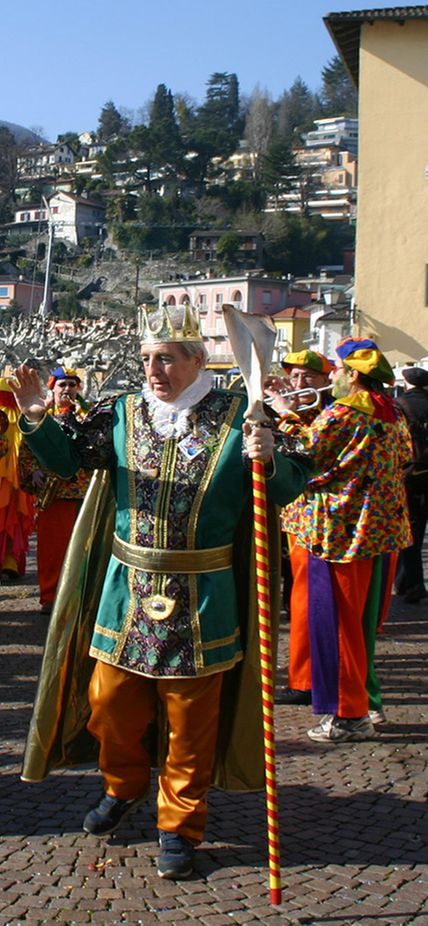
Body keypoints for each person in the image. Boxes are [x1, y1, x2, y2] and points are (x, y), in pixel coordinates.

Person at [11, 304, 309, 880]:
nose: (153, 371)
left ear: (198, 361)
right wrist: (37, 422)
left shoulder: (241, 414)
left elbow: (291, 484)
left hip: (205, 594)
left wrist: (270, 459)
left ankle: (180, 824)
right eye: (147, 359)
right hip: (127, 586)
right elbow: (70, 464)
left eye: (165, 359)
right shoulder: (122, 412)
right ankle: (122, 786)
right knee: (109, 703)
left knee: (191, 719)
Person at [275, 337, 413, 742]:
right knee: (361, 626)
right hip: (378, 532)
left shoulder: (341, 415)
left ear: (352, 375)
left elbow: (306, 464)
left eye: (336, 371)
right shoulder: (391, 413)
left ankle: (349, 713)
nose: (332, 377)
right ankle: (365, 703)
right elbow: (404, 458)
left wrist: (284, 417)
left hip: (339, 534)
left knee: (336, 625)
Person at [264, 350, 334, 705]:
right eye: (294, 377)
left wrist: (283, 411)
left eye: (308, 377)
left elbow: (311, 449)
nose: (299, 384)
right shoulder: (295, 410)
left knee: (306, 603)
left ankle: (306, 679)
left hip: (314, 523)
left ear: (326, 380)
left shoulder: (329, 414)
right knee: (294, 600)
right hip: (287, 517)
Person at [18, 366, 92, 614]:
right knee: (51, 550)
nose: (68, 389)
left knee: (84, 549)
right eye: (62, 385)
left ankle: (80, 597)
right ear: (52, 388)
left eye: (72, 384)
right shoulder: (41, 416)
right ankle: (50, 597)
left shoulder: (88, 416)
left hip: (83, 493)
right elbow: (27, 449)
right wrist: (33, 472)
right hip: (54, 495)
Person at [394, 366, 428, 603]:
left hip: (412, 474)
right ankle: (407, 582)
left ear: (405, 383)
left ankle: (411, 583)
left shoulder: (399, 405)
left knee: (410, 529)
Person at [0, 378, 34, 581]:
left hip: (14, 479)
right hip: (15, 479)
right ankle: (9, 562)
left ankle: (9, 562)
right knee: (12, 519)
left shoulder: (20, 417)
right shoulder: (22, 417)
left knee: (9, 518)